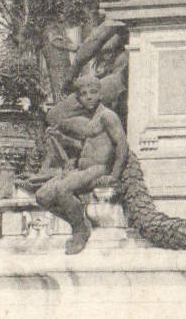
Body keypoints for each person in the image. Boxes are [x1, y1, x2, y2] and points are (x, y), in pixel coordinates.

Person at [32, 70, 128, 255]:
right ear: (79, 99)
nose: (88, 97)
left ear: (100, 94)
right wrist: (62, 138)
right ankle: (78, 219)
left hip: (98, 169)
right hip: (81, 170)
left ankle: (80, 231)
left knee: (62, 189)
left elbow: (122, 145)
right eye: (83, 94)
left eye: (92, 92)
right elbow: (86, 146)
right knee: (42, 196)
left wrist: (113, 176)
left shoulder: (107, 116)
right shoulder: (91, 119)